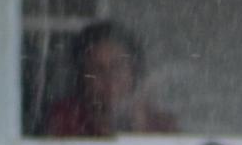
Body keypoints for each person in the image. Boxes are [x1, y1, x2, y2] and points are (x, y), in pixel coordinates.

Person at [41, 20, 181, 138]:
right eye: (97, 69)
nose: (109, 78)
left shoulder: (161, 124)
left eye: (118, 67)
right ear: (83, 76)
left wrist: (140, 127)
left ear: (134, 71)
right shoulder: (66, 118)